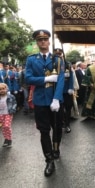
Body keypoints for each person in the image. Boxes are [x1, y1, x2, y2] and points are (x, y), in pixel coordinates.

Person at [25, 29, 65, 177]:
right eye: (39, 40)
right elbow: (28, 78)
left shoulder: (58, 59)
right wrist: (45, 79)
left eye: (45, 39)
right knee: (44, 130)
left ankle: (56, 148)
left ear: (49, 41)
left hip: (55, 100)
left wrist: (56, 98)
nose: (42, 42)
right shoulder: (31, 59)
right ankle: (49, 160)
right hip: (41, 100)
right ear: (37, 42)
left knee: (57, 127)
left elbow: (60, 79)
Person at [54, 48, 74, 133]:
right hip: (57, 91)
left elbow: (71, 77)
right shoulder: (52, 64)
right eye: (57, 54)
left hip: (66, 91)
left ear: (62, 54)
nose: (58, 55)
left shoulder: (67, 64)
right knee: (59, 109)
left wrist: (71, 88)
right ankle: (60, 123)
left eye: (60, 54)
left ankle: (67, 124)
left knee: (68, 108)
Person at [0, 83, 17, 148]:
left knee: (7, 126)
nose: (2, 90)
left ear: (6, 89)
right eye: (0, 89)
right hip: (1, 114)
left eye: (3, 89)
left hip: (8, 114)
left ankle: (9, 139)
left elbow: (14, 103)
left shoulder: (10, 96)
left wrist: (13, 109)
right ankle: (6, 139)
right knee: (3, 127)